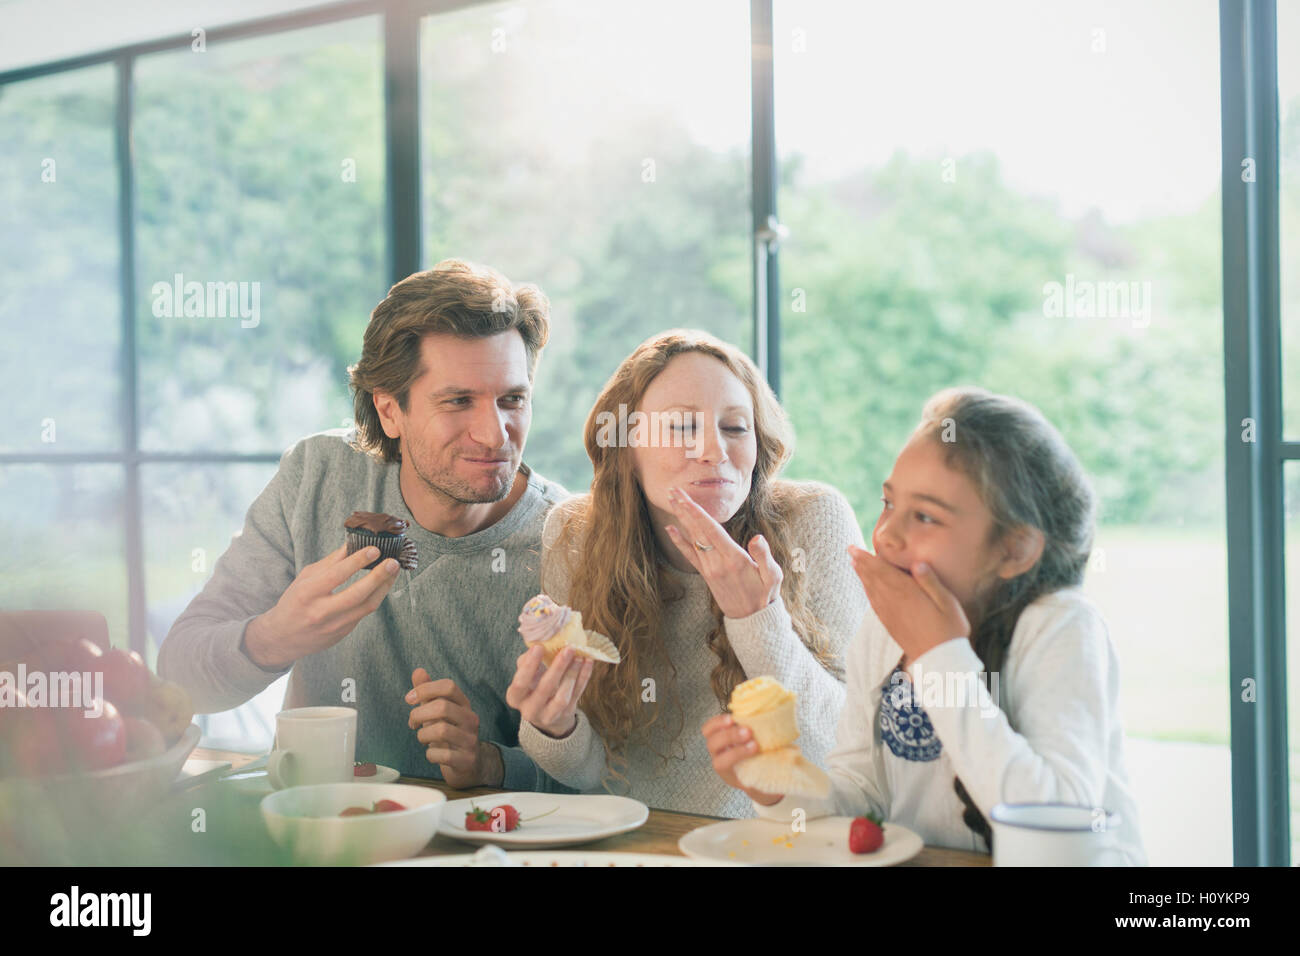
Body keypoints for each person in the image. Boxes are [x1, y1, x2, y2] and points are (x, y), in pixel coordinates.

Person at [158, 259, 573, 790]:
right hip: (316, 831)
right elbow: (179, 679)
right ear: (389, 411)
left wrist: (493, 764)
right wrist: (273, 639)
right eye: (458, 402)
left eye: (512, 399)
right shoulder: (316, 476)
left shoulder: (567, 543)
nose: (494, 436)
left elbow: (607, 774)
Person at [704, 387, 1147, 864]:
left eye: (925, 517)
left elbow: (1055, 822)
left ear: (1015, 549)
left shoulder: (1060, 629)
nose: (888, 534)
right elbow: (860, 791)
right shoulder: (885, 627)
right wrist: (776, 790)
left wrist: (939, 652)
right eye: (889, 503)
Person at [505, 329, 867, 817]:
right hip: (626, 843)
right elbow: (590, 773)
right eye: (680, 428)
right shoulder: (575, 532)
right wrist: (554, 728)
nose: (714, 451)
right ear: (626, 449)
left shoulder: (813, 522)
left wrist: (758, 619)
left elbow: (847, 754)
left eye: (736, 428)